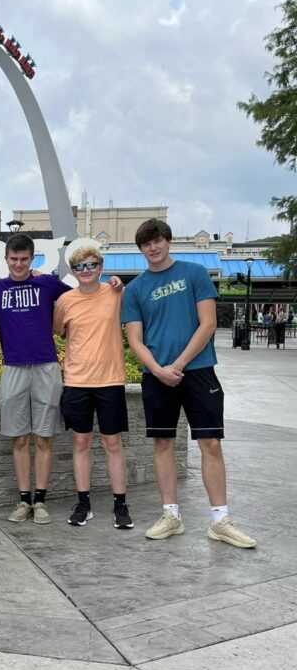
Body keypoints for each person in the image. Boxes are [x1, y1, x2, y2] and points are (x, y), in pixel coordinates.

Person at [122, 218, 256, 548]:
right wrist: (158, 370)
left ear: (168, 242)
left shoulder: (194, 274)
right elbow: (135, 340)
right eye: (146, 244)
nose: (153, 247)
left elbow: (208, 324)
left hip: (198, 371)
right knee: (162, 443)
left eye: (158, 241)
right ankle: (171, 516)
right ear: (140, 249)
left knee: (210, 443)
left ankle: (220, 521)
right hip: (157, 376)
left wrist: (178, 365)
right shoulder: (135, 289)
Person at [0, 232, 70, 524]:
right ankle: (23, 500)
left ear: (32, 259)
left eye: (24, 259)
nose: (18, 264)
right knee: (18, 438)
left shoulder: (47, 283)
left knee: (43, 437)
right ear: (5, 259)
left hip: (46, 367)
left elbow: (82, 298)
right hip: (13, 368)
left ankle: (40, 501)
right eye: (14, 259)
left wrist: (113, 287)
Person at [53, 245, 132, 529]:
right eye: (79, 267)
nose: (85, 271)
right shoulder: (65, 301)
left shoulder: (116, 293)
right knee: (81, 441)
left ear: (100, 267)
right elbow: (59, 331)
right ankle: (83, 503)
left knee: (112, 442)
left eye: (91, 265)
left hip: (110, 380)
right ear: (73, 272)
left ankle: (120, 504)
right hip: (76, 382)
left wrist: (120, 285)